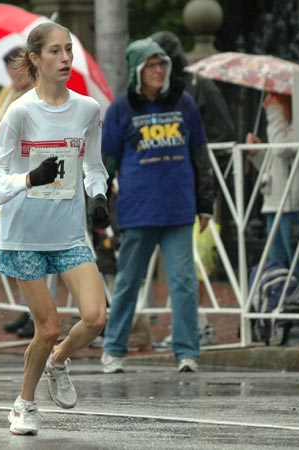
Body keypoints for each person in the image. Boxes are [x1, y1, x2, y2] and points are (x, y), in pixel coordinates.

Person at [0, 22, 110, 436]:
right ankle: (24, 403)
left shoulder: (87, 109)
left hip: (69, 234)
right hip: (24, 237)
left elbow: (92, 164)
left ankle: (58, 361)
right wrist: (29, 179)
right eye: (55, 52)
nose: (66, 59)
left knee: (94, 318)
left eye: (69, 50)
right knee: (48, 327)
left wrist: (98, 196)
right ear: (35, 59)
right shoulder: (19, 112)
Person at [100, 38, 215, 374]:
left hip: (179, 208)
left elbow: (200, 155)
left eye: (162, 64)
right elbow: (107, 163)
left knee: (184, 282)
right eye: (151, 65)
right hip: (138, 210)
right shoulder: (121, 108)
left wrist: (205, 203)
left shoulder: (185, 104)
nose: (159, 70)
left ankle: (186, 352)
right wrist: (100, 207)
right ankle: (114, 349)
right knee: (128, 282)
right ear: (138, 70)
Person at [150, 30, 236, 348]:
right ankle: (189, 324)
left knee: (195, 261)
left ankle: (196, 325)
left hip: (197, 185)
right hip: (169, 185)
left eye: (159, 61)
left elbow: (224, 134)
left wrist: (198, 160)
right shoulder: (157, 93)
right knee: (178, 262)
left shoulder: (199, 86)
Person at [0, 46, 37, 338]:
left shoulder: (37, 95)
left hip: (25, 179)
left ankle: (37, 314)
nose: (14, 76)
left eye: (17, 69)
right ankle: (27, 308)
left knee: (33, 253)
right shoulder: (7, 93)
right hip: (6, 181)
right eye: (9, 71)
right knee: (16, 252)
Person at [246, 92, 299, 270]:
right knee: (276, 266)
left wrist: (275, 111)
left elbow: (282, 148)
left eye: (273, 96)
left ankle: (297, 298)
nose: (267, 102)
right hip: (274, 203)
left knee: (296, 265)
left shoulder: (297, 124)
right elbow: (272, 163)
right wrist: (256, 153)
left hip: (292, 205)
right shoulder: (280, 125)